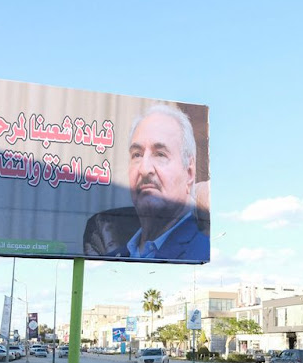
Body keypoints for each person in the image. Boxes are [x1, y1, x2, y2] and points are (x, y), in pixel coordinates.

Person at [84, 104, 209, 261]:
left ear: (189, 173)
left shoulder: (200, 250)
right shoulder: (115, 258)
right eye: (137, 155)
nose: (144, 169)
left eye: (160, 154)